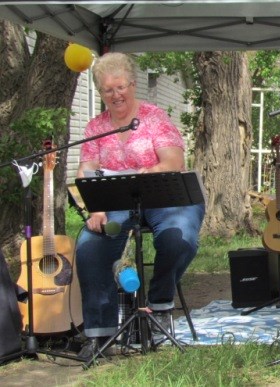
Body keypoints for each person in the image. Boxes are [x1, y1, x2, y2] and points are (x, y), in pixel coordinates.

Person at [75, 52, 205, 360]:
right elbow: (86, 170)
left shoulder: (153, 117)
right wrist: (95, 208)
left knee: (179, 237)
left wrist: (145, 173)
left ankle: (159, 305)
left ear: (133, 85)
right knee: (89, 246)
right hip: (117, 202)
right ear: (101, 92)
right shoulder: (96, 127)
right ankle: (99, 334)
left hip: (163, 196)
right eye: (108, 90)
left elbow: (174, 161)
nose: (116, 95)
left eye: (121, 87)